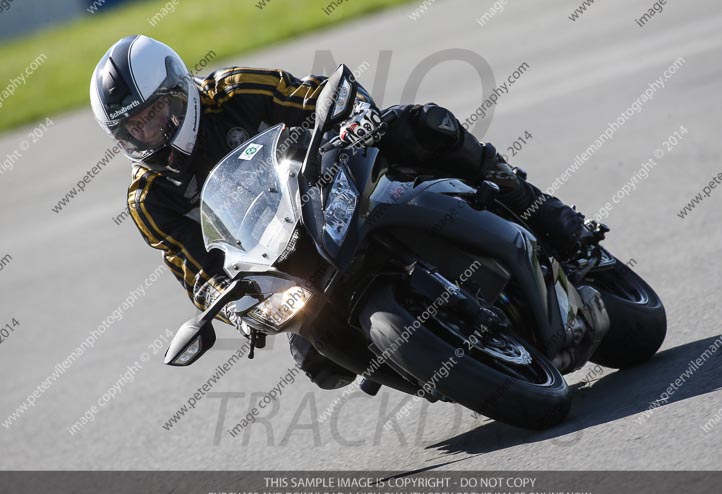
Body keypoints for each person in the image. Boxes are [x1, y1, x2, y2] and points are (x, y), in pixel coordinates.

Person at [90, 35, 601, 389]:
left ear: (178, 91)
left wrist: (353, 120)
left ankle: (553, 220)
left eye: (154, 112)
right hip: (284, 260)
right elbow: (197, 273)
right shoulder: (147, 198)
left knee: (422, 126)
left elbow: (317, 96)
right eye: (134, 127)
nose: (148, 130)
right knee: (318, 361)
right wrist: (231, 310)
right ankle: (429, 367)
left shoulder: (235, 90)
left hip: (329, 187)